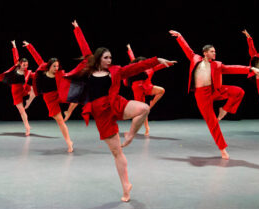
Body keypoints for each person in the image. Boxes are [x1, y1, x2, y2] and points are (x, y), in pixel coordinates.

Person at [65, 20, 176, 202]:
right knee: (117, 153)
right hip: (101, 114)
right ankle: (126, 187)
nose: (110, 60)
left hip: (117, 103)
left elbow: (134, 67)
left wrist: (156, 61)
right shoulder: (89, 69)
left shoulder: (115, 71)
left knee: (144, 108)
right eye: (106, 57)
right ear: (99, 58)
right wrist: (77, 29)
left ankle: (131, 134)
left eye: (111, 57)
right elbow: (85, 48)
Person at [169, 30, 259, 159]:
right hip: (201, 95)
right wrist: (180, 36)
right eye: (212, 51)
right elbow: (187, 49)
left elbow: (233, 68)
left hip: (214, 91)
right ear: (205, 53)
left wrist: (251, 69)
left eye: (215, 51)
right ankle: (222, 149)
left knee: (239, 91)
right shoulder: (195, 58)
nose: (215, 53)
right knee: (212, 122)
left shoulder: (217, 65)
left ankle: (224, 109)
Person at [23, 41, 77, 152]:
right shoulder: (43, 69)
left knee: (77, 96)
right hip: (49, 98)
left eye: (57, 66)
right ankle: (69, 141)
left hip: (60, 94)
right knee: (60, 121)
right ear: (49, 66)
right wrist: (29, 46)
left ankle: (69, 112)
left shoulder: (60, 73)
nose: (56, 68)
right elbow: (36, 56)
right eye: (54, 66)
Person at [124, 44, 174, 135]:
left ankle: (151, 104)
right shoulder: (136, 67)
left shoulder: (150, 68)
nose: (142, 64)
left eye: (144, 62)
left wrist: (170, 62)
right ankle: (146, 128)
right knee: (141, 111)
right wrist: (129, 49)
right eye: (140, 62)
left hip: (148, 87)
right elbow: (132, 57)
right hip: (137, 89)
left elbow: (160, 66)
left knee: (161, 90)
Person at [0, 40, 35, 136]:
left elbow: (35, 76)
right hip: (16, 90)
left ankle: (29, 101)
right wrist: (14, 45)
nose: (25, 66)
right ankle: (27, 127)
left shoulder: (28, 72)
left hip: (24, 88)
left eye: (27, 65)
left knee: (33, 90)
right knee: (21, 110)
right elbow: (15, 56)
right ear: (20, 64)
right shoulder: (16, 67)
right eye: (24, 65)